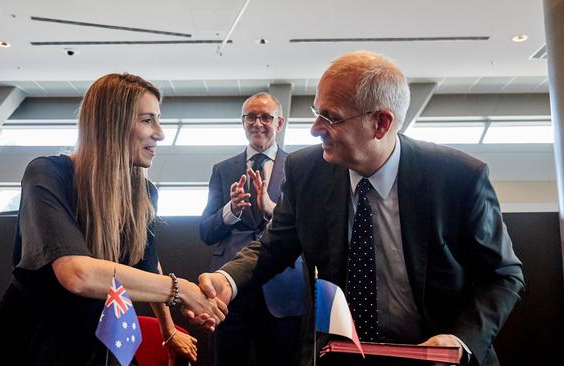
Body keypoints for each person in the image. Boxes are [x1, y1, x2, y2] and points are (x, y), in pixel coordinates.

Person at [196, 51, 525, 366]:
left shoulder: (457, 178)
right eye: (316, 112)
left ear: (381, 123)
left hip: (436, 356)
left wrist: (459, 339)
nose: (314, 129)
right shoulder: (306, 171)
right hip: (343, 354)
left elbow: (502, 276)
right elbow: (273, 246)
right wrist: (228, 280)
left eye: (331, 117)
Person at [0, 73, 226, 366]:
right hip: (34, 340)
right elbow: (77, 274)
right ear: (113, 124)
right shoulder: (48, 174)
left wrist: (168, 329)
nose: (160, 133)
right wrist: (180, 290)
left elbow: (149, 265)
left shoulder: (143, 192)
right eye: (148, 120)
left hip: (95, 338)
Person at [199, 92, 307, 366]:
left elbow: (308, 230)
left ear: (279, 123)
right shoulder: (222, 170)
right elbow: (206, 232)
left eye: (266, 117)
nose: (258, 123)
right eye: (251, 117)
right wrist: (231, 210)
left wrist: (273, 209)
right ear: (243, 122)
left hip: (282, 287)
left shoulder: (300, 168)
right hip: (229, 291)